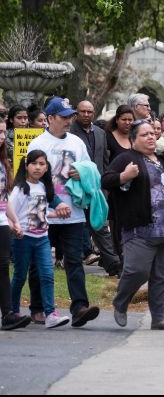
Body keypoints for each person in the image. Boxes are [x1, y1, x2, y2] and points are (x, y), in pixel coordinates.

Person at [28, 98, 101, 328]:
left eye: (70, 116)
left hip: (73, 213)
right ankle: (37, 307)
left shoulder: (77, 143)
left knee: (74, 261)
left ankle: (80, 307)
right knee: (38, 262)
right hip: (44, 212)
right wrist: (53, 204)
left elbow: (91, 168)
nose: (69, 120)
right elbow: (31, 178)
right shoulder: (37, 144)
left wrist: (82, 174)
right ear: (50, 119)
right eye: (64, 117)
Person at [102, 120, 164, 330]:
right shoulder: (126, 158)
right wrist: (124, 176)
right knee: (137, 271)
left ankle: (159, 317)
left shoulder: (161, 160)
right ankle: (121, 301)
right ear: (133, 140)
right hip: (140, 228)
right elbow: (106, 180)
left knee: (162, 277)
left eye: (153, 134)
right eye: (144, 134)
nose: (151, 137)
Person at [10, 150, 71, 329]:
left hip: (42, 238)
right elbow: (10, 212)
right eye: (34, 163)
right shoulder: (20, 189)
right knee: (20, 276)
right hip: (23, 239)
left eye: (42, 164)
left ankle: (50, 314)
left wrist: (56, 214)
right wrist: (15, 227)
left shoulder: (45, 187)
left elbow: (40, 214)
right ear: (26, 166)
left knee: (47, 275)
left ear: (46, 168)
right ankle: (13, 312)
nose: (37, 167)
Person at [70, 100, 121, 277]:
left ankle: (113, 264)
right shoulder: (70, 133)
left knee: (100, 226)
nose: (86, 115)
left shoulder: (100, 133)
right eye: (82, 111)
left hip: (96, 188)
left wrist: (105, 188)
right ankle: (66, 258)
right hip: (74, 188)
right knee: (73, 227)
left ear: (93, 113)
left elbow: (104, 163)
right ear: (76, 113)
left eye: (89, 112)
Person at [0, 118, 29, 330]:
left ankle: (8, 314)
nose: (2, 137)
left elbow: (3, 197)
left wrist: (14, 220)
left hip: (1, 218)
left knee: (3, 265)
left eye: (3, 132)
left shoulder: (3, 162)